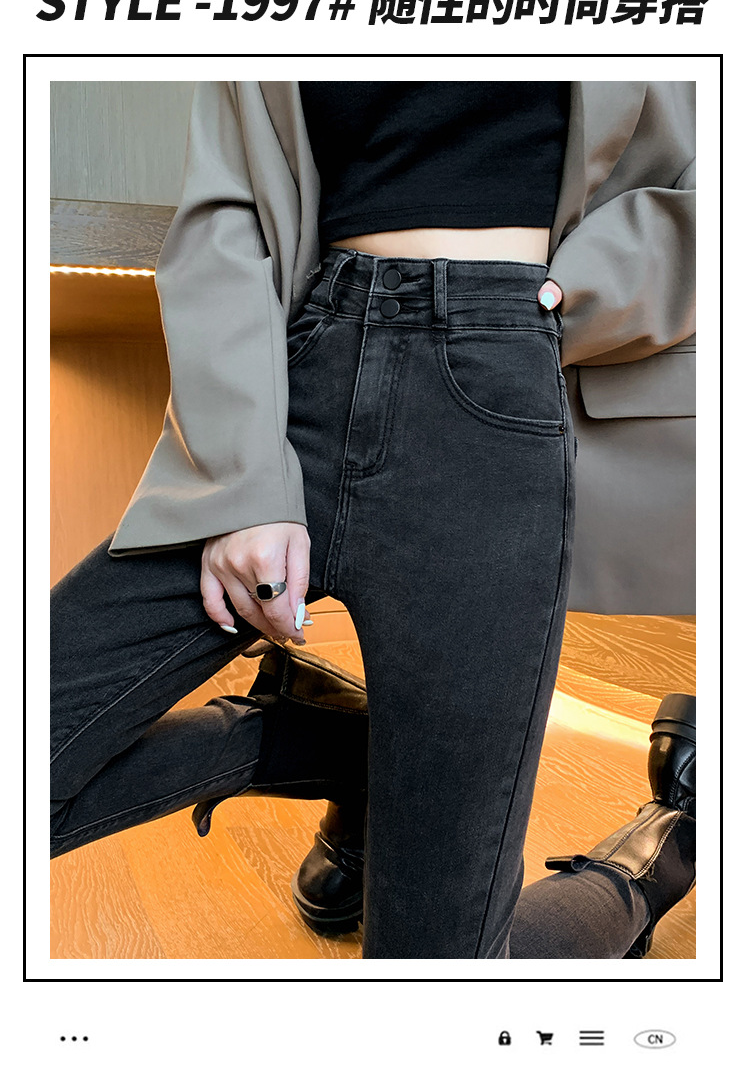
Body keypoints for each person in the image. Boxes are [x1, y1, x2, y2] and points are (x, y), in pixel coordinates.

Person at [51, 80, 696, 959]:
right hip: (304, 372)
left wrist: (550, 299)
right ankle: (332, 747)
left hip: (501, 386)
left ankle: (648, 861)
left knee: (436, 989)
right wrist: (244, 479)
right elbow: (229, 208)